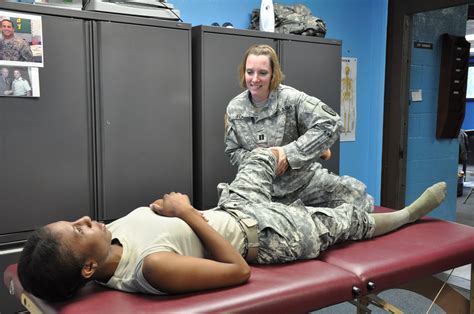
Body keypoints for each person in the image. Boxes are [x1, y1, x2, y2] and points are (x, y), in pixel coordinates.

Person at [17, 147, 447, 302]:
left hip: (235, 206)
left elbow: (162, 225)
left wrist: (173, 213)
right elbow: (237, 272)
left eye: (73, 221)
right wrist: (185, 213)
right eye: (77, 230)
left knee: (261, 156)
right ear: (87, 269)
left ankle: (319, 171)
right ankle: (405, 216)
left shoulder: (109, 239)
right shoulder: (149, 269)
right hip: (265, 237)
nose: (84, 219)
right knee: (350, 218)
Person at [225, 44, 374, 212]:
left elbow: (331, 122)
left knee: (357, 195)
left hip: (304, 183)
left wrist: (288, 154)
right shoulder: (235, 108)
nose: (255, 79)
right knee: (239, 218)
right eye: (250, 72)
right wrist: (265, 160)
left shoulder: (291, 99)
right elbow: (233, 150)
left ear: (273, 74)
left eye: (263, 73)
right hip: (262, 189)